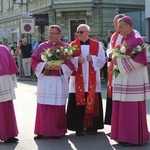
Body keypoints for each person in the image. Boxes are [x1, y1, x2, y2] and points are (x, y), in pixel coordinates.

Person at [110, 16, 150, 145]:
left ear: (128, 26)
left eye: (121, 26)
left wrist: (118, 61)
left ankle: (133, 138)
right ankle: (125, 136)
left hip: (133, 80)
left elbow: (140, 61)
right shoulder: (127, 39)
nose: (118, 29)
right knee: (124, 108)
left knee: (131, 110)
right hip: (126, 78)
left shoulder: (136, 39)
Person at [31, 25, 75, 139]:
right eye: (49, 33)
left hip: (59, 81)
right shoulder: (42, 46)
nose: (50, 35)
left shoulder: (65, 47)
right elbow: (34, 60)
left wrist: (60, 67)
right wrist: (44, 65)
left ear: (59, 34)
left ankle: (57, 131)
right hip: (45, 80)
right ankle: (41, 131)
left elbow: (71, 64)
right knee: (43, 105)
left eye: (53, 33)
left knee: (57, 106)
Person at [67, 24, 106, 136]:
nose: (78, 34)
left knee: (92, 101)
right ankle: (78, 127)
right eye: (77, 32)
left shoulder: (96, 45)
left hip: (92, 79)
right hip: (77, 80)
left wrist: (92, 59)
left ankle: (91, 127)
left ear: (87, 32)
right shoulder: (72, 45)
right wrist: (76, 59)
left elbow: (102, 60)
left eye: (81, 32)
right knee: (78, 102)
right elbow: (68, 60)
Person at [104, 14, 125, 125]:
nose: (113, 24)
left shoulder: (129, 35)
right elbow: (109, 48)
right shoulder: (114, 36)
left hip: (122, 67)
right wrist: (110, 53)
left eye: (115, 22)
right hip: (113, 66)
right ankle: (113, 121)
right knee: (112, 93)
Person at [0, 45, 19, 143]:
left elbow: (11, 66)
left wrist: (12, 81)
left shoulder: (3, 49)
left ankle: (9, 134)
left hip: (4, 81)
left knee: (7, 106)